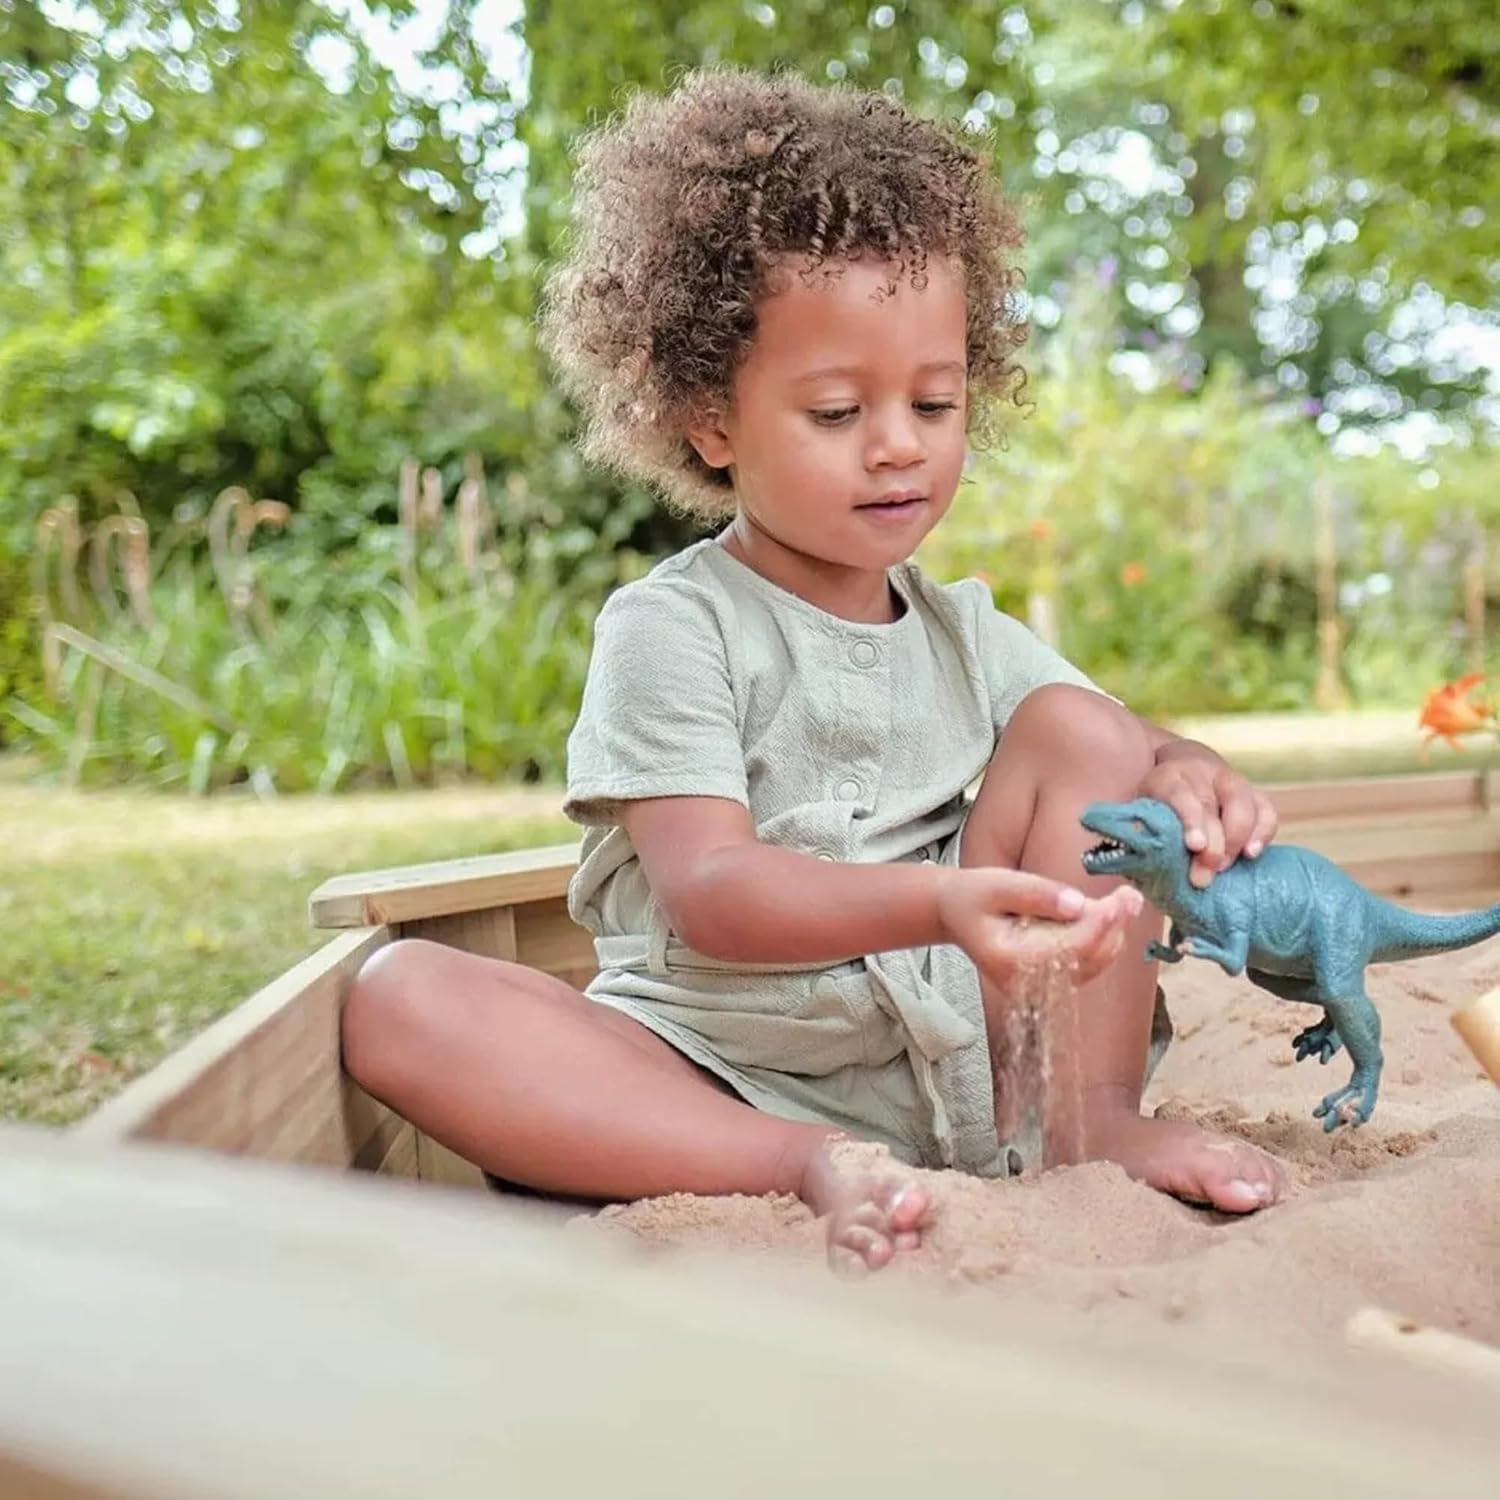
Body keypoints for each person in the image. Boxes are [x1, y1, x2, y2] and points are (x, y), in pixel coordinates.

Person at [341, 67, 1287, 1274]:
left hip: (972, 1072)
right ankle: (796, 1162)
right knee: (401, 996)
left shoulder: (963, 631)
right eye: (838, 412)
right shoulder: (673, 627)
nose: (898, 444)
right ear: (710, 420)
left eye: (935, 403)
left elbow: (1132, 750)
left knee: (1087, 735)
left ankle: (1085, 1120)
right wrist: (936, 905)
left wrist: (1199, 771)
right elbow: (716, 893)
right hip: (720, 1072)